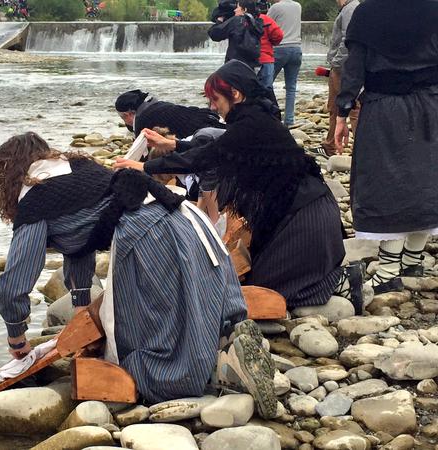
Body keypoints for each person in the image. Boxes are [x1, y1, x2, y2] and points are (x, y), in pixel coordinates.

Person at [0, 132, 278, 417]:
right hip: (184, 218)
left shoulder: (35, 199)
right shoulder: (73, 168)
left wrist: (17, 339)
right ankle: (227, 342)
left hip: (151, 235)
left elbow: (15, 282)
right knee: (192, 300)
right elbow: (80, 244)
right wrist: (82, 308)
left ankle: (214, 371)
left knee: (153, 335)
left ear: (10, 170)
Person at [115, 60, 366, 314]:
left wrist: (144, 167)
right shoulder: (252, 116)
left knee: (274, 290)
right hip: (292, 210)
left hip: (306, 217)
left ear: (235, 93)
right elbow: (219, 148)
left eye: (216, 99)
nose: (212, 107)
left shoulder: (251, 123)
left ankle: (343, 282)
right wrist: (173, 145)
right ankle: (335, 278)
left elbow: (206, 157)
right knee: (258, 279)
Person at [334, 0, 438, 294]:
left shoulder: (367, 12)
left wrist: (342, 111)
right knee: (426, 180)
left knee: (386, 182)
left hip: (384, 109)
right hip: (431, 105)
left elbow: (354, 67)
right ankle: (413, 260)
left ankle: (389, 269)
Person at [311, 0, 360, 158]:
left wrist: (336, 62)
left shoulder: (350, 9)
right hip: (340, 66)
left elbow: (348, 38)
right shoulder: (348, 8)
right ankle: (330, 145)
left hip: (343, 67)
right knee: (334, 106)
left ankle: (361, 149)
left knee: (353, 107)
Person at [115, 90, 224, 138]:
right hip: (208, 118)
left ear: (127, 114)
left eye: (122, 118)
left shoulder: (143, 122)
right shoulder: (156, 104)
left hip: (204, 133)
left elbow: (143, 157)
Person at [268, 0, 302, 126]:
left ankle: (272, 115)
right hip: (296, 48)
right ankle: (289, 119)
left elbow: (264, 24)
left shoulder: (275, 7)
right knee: (291, 87)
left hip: (279, 48)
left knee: (266, 84)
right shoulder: (298, 6)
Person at [208, 0, 264, 69]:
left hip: (235, 64)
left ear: (244, 10)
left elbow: (215, 34)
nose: (234, 10)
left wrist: (219, 21)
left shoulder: (236, 21)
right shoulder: (257, 23)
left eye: (237, 7)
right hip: (251, 65)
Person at [257, 1, 284, 89]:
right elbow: (279, 35)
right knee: (267, 90)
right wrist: (273, 42)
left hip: (248, 60)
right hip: (266, 58)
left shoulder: (241, 20)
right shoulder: (266, 19)